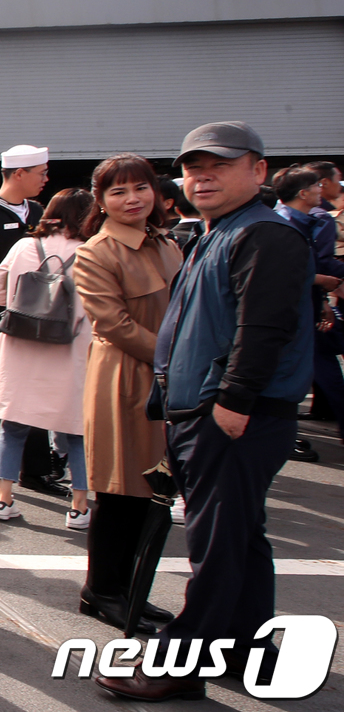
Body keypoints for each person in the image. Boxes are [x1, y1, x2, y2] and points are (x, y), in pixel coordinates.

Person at [95, 122, 313, 702]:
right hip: (208, 412)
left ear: (259, 170)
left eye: (219, 164)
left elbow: (263, 329)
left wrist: (235, 403)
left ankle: (178, 663)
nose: (202, 176)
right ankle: (244, 649)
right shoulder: (222, 231)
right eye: (193, 167)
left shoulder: (264, 235)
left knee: (216, 544)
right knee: (240, 539)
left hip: (232, 415)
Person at [72, 154, 183, 633]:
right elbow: (113, 324)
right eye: (118, 192)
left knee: (151, 492)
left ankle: (130, 587)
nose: (132, 199)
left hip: (169, 376)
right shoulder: (96, 251)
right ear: (101, 201)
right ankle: (102, 589)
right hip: (126, 377)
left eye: (140, 188)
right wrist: (177, 358)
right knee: (119, 491)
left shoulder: (168, 243)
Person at [0, 188, 95, 528]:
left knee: (12, 427)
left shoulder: (24, 246)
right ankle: (80, 507)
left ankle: (3, 499)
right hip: (69, 350)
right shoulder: (89, 252)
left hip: (21, 346)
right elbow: (95, 307)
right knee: (76, 430)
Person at [0, 145, 62, 497]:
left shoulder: (36, 211)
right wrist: (2, 305)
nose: (45, 179)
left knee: (33, 389)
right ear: (18, 174)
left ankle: (35, 470)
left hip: (33, 318)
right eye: (41, 172)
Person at [272, 166, 344, 458]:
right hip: (289, 315)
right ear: (303, 193)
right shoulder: (284, 224)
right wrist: (320, 281)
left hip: (308, 309)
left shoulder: (305, 221)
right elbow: (280, 272)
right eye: (316, 186)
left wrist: (323, 301)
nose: (322, 189)